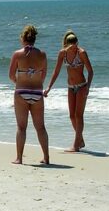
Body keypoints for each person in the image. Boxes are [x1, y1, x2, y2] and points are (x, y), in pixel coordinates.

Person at [44, 30, 94, 152]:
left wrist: (88, 87)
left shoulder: (81, 53)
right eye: (70, 46)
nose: (73, 48)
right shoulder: (63, 53)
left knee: (78, 115)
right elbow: (56, 71)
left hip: (82, 86)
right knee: (72, 116)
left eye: (75, 45)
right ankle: (80, 140)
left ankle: (76, 145)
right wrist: (49, 87)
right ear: (66, 44)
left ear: (77, 43)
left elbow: (90, 71)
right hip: (70, 87)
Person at [8, 25, 49, 165]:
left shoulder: (17, 54)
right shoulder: (42, 54)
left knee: (21, 127)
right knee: (41, 127)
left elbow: (11, 75)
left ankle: (19, 158)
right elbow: (43, 74)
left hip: (21, 91)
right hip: (37, 92)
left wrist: (18, 82)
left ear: (22, 38)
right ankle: (46, 157)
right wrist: (37, 82)